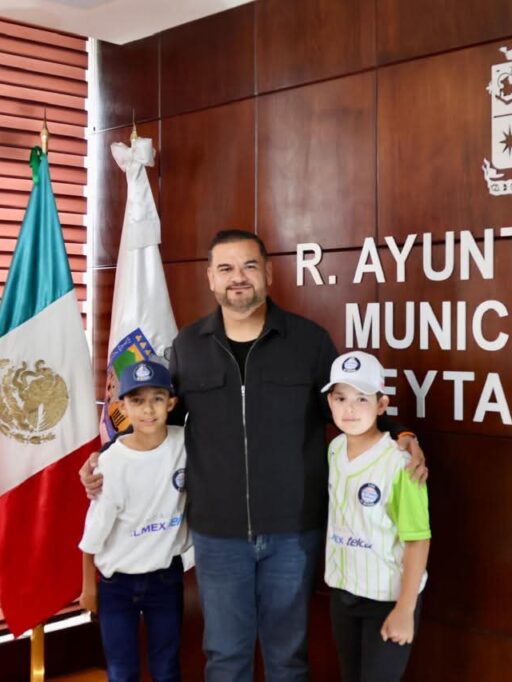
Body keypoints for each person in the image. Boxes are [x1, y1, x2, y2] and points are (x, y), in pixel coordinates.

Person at [82, 229, 426, 682]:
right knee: (225, 657)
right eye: (225, 268)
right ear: (210, 278)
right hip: (217, 534)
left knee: (288, 658)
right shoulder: (187, 346)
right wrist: (107, 455)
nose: (238, 277)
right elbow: (160, 422)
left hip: (293, 533)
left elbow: (350, 407)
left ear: (268, 272)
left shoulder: (309, 341)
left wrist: (401, 433)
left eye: (249, 266)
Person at [78, 359, 191, 682]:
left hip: (165, 579)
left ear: (171, 403)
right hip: (117, 584)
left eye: (157, 399)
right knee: (122, 670)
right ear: (123, 407)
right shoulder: (111, 463)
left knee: (166, 667)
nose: (148, 410)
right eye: (137, 401)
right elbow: (93, 534)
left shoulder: (186, 443)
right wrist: (88, 588)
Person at [322, 350, 430, 682]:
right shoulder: (335, 449)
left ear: (381, 405)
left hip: (387, 598)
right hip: (344, 592)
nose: (350, 409)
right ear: (330, 402)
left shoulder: (401, 463)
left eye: (362, 399)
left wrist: (405, 609)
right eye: (341, 398)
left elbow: (418, 539)